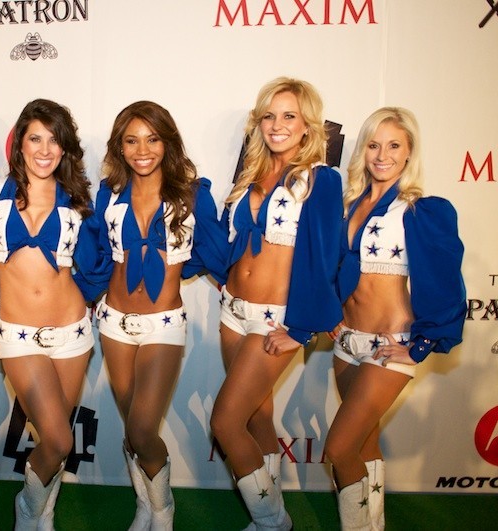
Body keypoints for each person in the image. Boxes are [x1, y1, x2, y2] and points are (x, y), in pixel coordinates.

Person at [209, 77, 343, 530]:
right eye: (269, 115)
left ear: (308, 125)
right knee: (258, 416)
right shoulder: (248, 175)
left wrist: (303, 329)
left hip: (275, 321)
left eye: (289, 115)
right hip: (233, 311)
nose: (277, 124)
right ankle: (271, 509)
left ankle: (272, 522)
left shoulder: (319, 180)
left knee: (226, 423)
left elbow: (326, 258)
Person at [85, 101, 227, 530]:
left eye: (152, 138)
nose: (141, 149)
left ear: (167, 142)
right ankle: (145, 505)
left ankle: (163, 509)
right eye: (131, 140)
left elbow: (215, 249)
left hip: (164, 324)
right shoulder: (108, 193)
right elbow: (95, 252)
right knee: (132, 428)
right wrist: (85, 295)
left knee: (144, 428)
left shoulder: (192, 192)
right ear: (119, 146)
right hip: (113, 322)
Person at [325, 107, 465, 530]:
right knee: (365, 443)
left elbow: (443, 284)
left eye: (393, 146)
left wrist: (419, 345)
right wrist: (332, 311)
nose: (381, 155)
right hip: (347, 341)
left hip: (390, 346)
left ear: (409, 153)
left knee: (338, 448)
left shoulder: (419, 210)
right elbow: (332, 268)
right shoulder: (348, 204)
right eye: (373, 145)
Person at [0, 99, 94, 530]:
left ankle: (41, 511)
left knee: (53, 439)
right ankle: (26, 510)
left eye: (55, 140)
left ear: (65, 149)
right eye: (35, 139)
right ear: (19, 144)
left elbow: (96, 263)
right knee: (61, 438)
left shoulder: (78, 199)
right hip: (19, 336)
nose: (45, 150)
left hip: (72, 334)